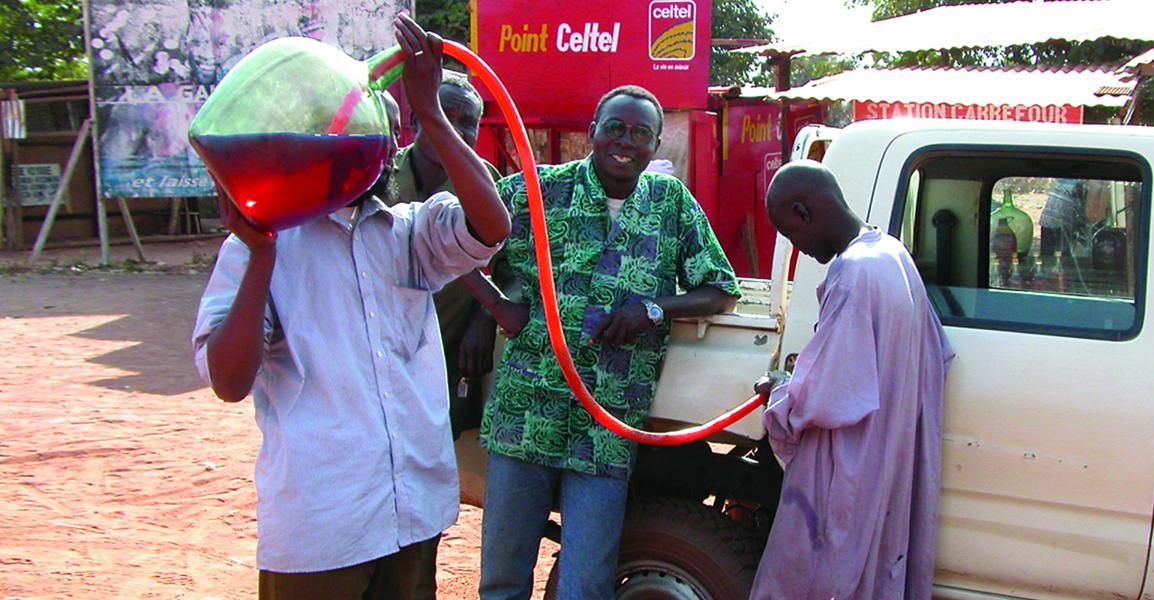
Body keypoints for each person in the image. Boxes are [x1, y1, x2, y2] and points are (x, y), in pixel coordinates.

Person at [190, 16, 509, 599]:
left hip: (413, 512)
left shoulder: (409, 233)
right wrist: (259, 254)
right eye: (372, 132)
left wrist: (431, 115)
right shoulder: (261, 247)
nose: (385, 148)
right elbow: (229, 381)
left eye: (392, 135)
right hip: (322, 531)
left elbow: (492, 227)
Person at [474, 85, 741, 600]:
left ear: (656, 143)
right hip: (527, 410)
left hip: (608, 422)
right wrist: (493, 308)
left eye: (641, 133)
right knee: (504, 576)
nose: (626, 141)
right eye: (615, 127)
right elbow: (453, 237)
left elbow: (720, 288)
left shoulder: (670, 204)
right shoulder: (536, 189)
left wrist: (653, 309)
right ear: (592, 131)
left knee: (588, 582)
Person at [751, 160, 954, 600]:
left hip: (853, 460)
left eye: (791, 233)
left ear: (804, 212)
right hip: (891, 445)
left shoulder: (854, 272)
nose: (798, 248)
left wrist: (779, 392)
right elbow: (935, 352)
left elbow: (825, 394)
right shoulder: (891, 251)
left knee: (826, 571)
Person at [383, 69, 512, 600]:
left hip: (443, 361)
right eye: (446, 115)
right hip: (379, 356)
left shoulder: (482, 182)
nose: (456, 129)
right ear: (418, 117)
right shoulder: (380, 175)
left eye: (469, 121)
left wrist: (483, 321)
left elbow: (511, 264)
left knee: (426, 481)